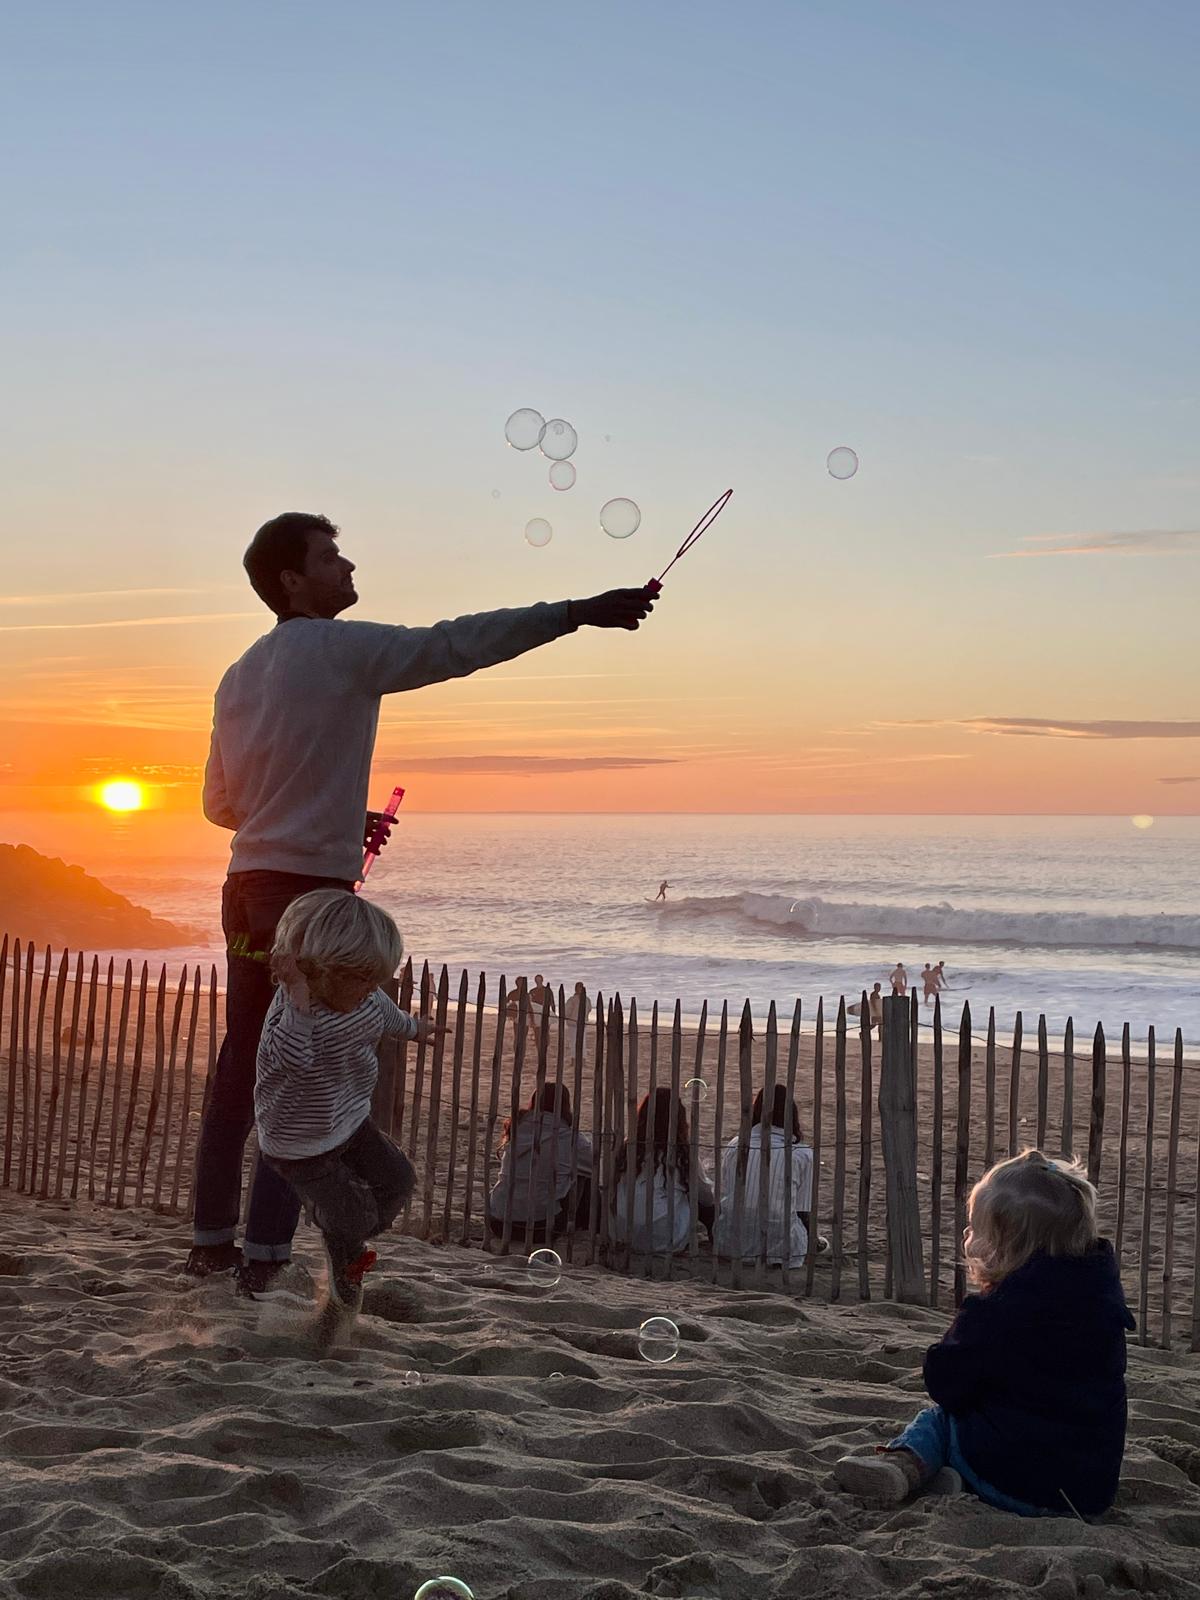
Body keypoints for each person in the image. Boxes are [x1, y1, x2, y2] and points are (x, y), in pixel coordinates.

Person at [188, 510, 655, 1292]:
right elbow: (455, 644)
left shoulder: (238, 675)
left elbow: (220, 804)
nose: (347, 566)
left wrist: (328, 814)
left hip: (246, 889)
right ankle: (266, 1257)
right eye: (330, 557)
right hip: (310, 903)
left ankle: (210, 1243)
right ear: (290, 581)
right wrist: (577, 614)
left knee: (245, 1063)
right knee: (299, 1079)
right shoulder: (345, 649)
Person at [834, 1150, 1134, 1517]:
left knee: (940, 1420)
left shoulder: (999, 1311)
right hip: (1088, 1494)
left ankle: (902, 1468)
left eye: (975, 1229)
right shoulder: (1103, 1303)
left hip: (1016, 1482)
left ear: (1004, 1246)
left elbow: (945, 1384)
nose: (967, 1235)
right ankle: (953, 1480)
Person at [254, 890, 437, 1332]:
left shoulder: (366, 999)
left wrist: (415, 1029)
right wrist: (297, 995)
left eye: (377, 980)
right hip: (299, 1142)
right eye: (362, 979)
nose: (371, 990)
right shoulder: (293, 1016)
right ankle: (345, 1249)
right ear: (319, 971)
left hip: (349, 1118)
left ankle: (341, 1237)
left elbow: (387, 1016)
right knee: (353, 1217)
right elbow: (292, 1060)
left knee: (398, 1181)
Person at [713, 1084, 828, 1266]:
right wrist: (809, 1241)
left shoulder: (736, 1145)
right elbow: (803, 1211)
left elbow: (726, 1195)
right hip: (781, 1249)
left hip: (731, 1244)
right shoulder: (801, 1154)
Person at [610, 1087, 715, 1255]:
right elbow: (705, 1196)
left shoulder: (628, 1147)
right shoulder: (682, 1153)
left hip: (624, 1231)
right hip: (664, 1235)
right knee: (700, 1200)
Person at [486, 1084, 592, 1244]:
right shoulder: (569, 1137)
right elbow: (596, 1164)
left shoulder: (517, 1129)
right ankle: (587, 1226)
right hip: (542, 1226)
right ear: (565, 1106)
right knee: (584, 1175)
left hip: (498, 1221)